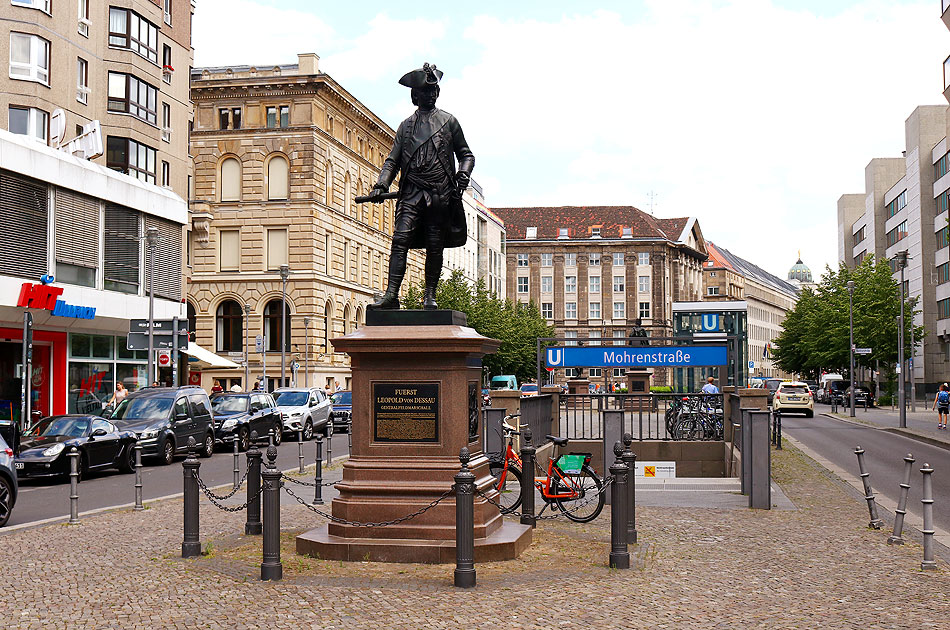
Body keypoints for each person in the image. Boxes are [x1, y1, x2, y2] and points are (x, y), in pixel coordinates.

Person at [364, 63, 475, 310]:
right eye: (425, 91)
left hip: (439, 194)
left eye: (433, 90)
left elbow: (467, 155)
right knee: (399, 240)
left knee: (435, 246)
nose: (431, 95)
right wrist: (381, 184)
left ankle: (430, 296)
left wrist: (463, 175)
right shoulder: (406, 126)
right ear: (415, 95)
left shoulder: (449, 121)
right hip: (411, 192)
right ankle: (391, 295)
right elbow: (393, 159)